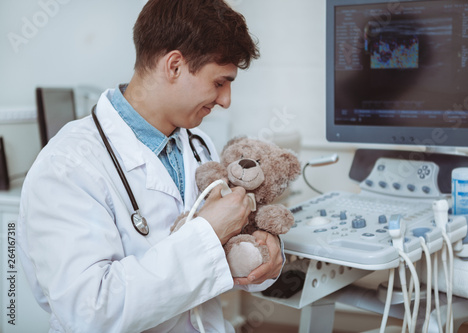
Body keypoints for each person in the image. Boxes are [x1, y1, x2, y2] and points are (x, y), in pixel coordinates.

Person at [16, 0, 284, 332]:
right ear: (174, 66)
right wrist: (207, 233)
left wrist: (265, 256)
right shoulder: (66, 166)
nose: (226, 100)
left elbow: (222, 260)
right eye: (219, 82)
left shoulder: (198, 145)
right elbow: (91, 313)